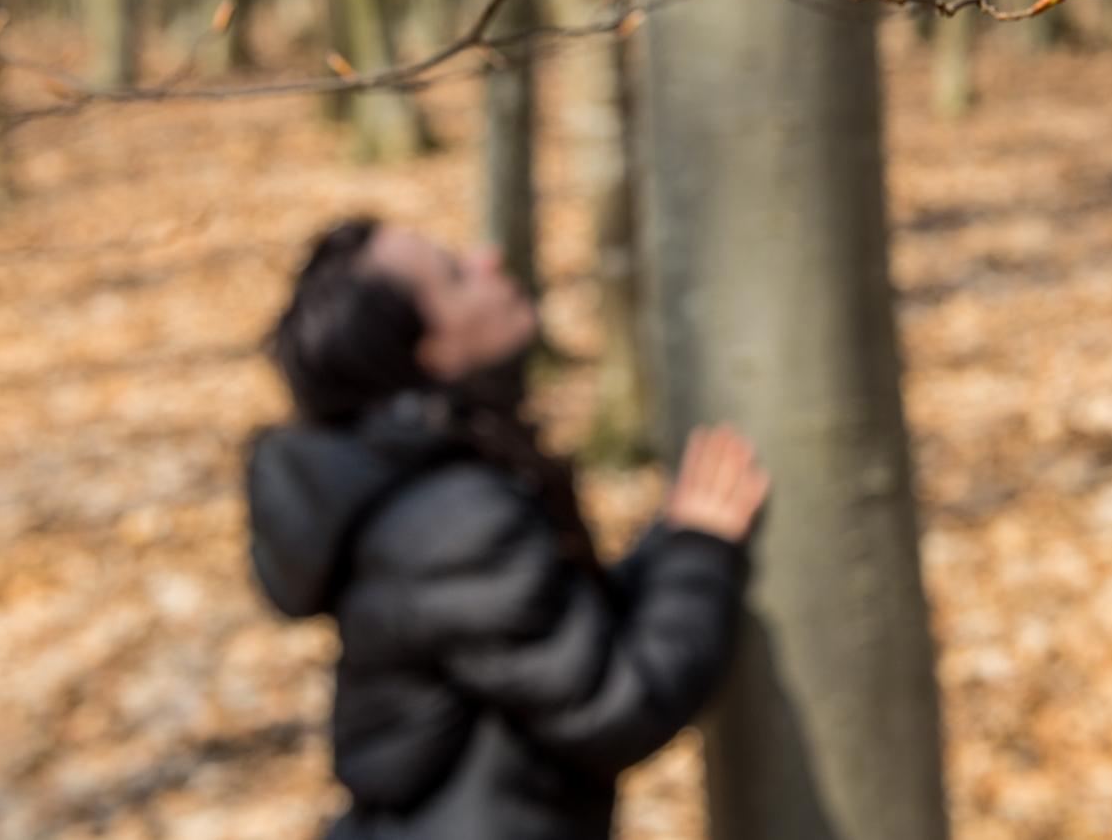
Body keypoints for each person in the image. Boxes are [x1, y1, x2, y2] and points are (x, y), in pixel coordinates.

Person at [243, 214, 770, 840]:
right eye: (456, 274)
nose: (488, 260)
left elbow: (564, 634)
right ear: (432, 351)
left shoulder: (421, 492)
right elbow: (614, 704)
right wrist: (701, 553)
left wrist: (678, 538)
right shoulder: (447, 524)